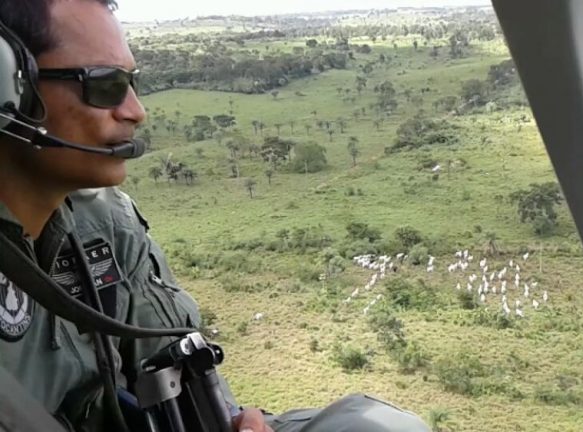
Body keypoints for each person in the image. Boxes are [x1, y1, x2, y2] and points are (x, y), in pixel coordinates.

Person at [0, 1, 431, 431]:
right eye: (106, 84)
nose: (136, 110)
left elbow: (174, 362)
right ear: (8, 88)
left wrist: (231, 420)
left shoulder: (107, 221)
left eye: (132, 82)